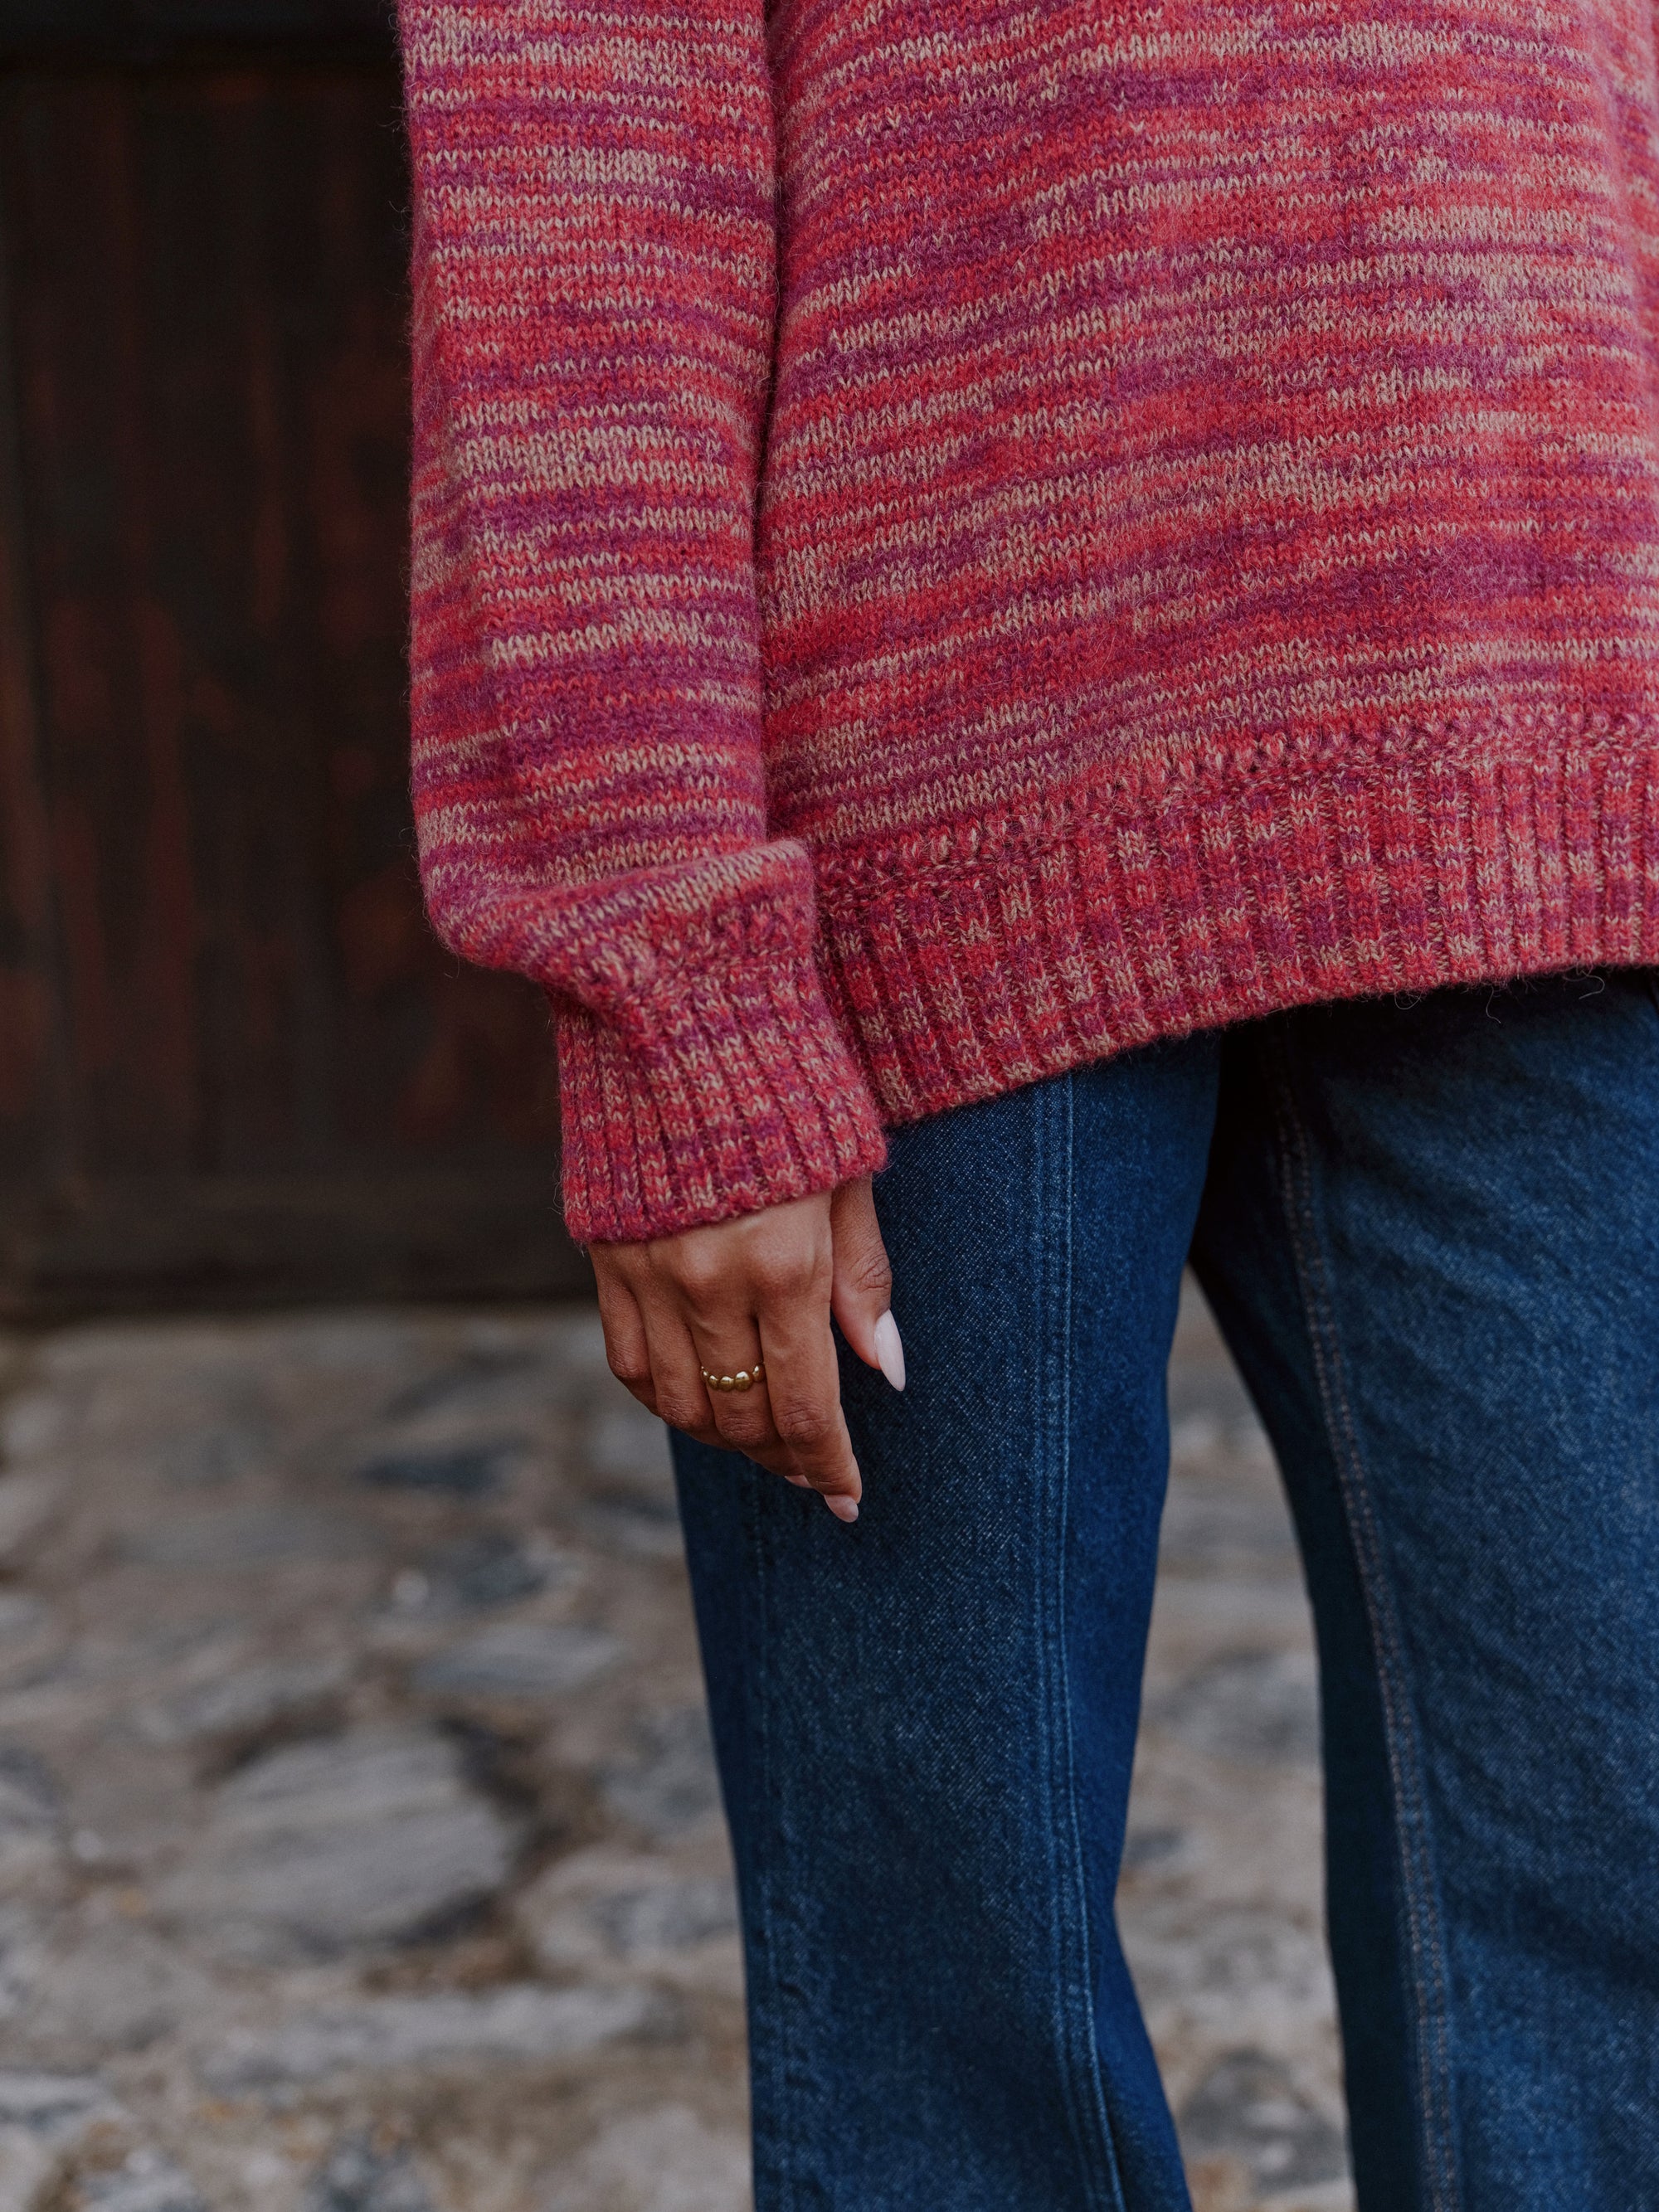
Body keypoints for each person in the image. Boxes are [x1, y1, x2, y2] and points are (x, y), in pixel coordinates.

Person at [397, 4, 1659, 2204]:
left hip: (1550, 747)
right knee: (945, 2012)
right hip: (932, 813)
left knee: (1618, 1898)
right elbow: (569, 131)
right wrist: (670, 971)